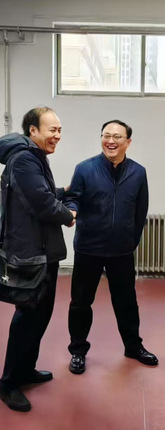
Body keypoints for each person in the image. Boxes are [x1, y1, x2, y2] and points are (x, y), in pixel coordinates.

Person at [63, 119, 157, 374]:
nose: (111, 141)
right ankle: (78, 351)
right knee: (81, 302)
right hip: (88, 248)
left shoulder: (138, 172)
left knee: (127, 302)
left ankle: (133, 346)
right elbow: (73, 198)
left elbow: (140, 211)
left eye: (117, 136)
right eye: (106, 135)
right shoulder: (85, 169)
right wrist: (71, 211)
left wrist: (130, 241)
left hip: (121, 251)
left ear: (128, 142)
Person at [0, 107, 76, 412]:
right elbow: (42, 203)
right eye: (51, 130)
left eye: (59, 130)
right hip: (30, 253)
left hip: (42, 250)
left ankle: (25, 369)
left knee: (40, 315)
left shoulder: (34, 157)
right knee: (28, 316)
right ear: (33, 130)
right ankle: (8, 383)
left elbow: (40, 191)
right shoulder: (24, 159)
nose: (57, 135)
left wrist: (64, 190)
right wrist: (68, 215)